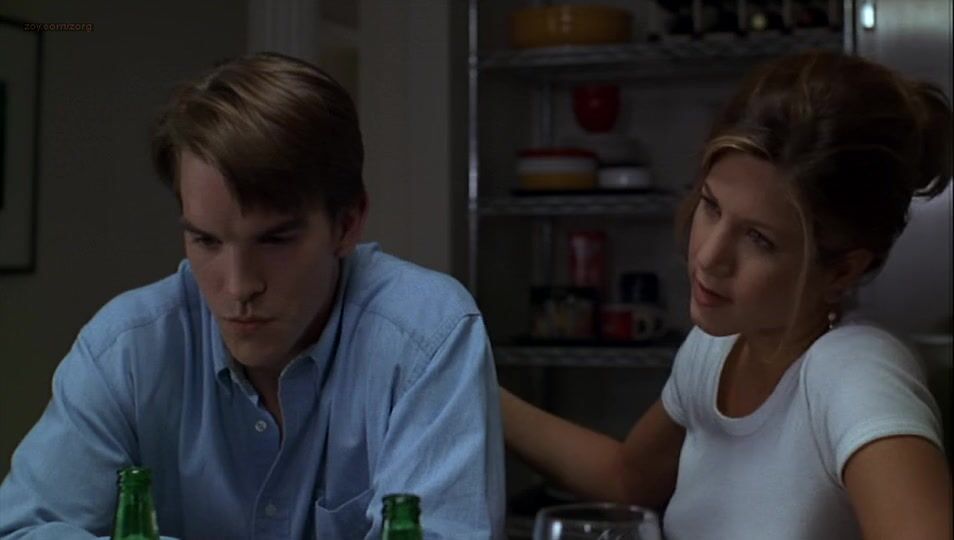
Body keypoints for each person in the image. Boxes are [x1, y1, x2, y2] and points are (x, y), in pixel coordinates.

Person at [0, 52, 505, 539]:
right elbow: (23, 529)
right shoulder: (127, 348)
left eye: (275, 239)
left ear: (347, 224)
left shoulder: (425, 334)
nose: (239, 287)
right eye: (206, 241)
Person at [501, 50, 952, 539]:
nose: (710, 256)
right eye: (712, 207)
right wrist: (473, 385)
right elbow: (627, 479)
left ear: (842, 269)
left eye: (759, 238)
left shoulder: (855, 373)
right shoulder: (718, 346)